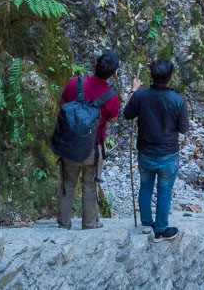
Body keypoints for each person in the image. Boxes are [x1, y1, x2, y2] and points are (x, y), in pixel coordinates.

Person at [123, 58, 188, 242]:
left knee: (146, 187)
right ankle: (160, 229)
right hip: (168, 153)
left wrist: (133, 90)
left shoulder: (141, 96)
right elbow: (183, 128)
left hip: (145, 151)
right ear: (171, 77)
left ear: (150, 76)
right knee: (164, 191)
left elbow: (127, 114)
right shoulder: (177, 100)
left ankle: (146, 224)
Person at [55, 50, 121, 230]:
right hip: (93, 147)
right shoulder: (111, 97)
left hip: (69, 145)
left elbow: (62, 105)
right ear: (113, 74)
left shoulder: (73, 84)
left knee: (68, 182)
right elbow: (113, 120)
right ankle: (90, 223)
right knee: (90, 183)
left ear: (94, 66)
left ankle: (63, 223)